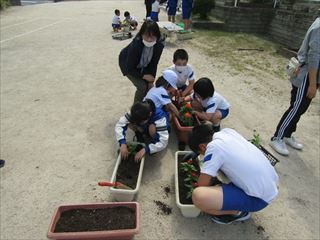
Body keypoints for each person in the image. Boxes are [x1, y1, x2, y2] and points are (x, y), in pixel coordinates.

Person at [188, 124, 279, 224]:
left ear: (202, 146)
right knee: (220, 174)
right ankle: (235, 201)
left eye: (200, 152)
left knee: (198, 196)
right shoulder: (227, 132)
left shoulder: (214, 147)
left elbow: (202, 184)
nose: (202, 155)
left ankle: (237, 212)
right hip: (269, 184)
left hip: (258, 199)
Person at [269, 17, 320, 156]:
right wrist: (313, 83)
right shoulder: (319, 27)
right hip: (306, 75)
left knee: (300, 108)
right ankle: (277, 137)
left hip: (309, 75)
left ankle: (287, 134)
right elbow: (314, 56)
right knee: (297, 107)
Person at [119, 20, 164, 104]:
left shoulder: (159, 46)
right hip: (127, 64)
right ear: (141, 34)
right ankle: (136, 109)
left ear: (157, 36)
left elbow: (154, 63)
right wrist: (144, 76)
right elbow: (129, 68)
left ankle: (145, 104)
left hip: (142, 65)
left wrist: (151, 81)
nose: (150, 40)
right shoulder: (136, 45)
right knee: (142, 86)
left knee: (149, 86)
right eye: (147, 36)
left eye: (153, 37)